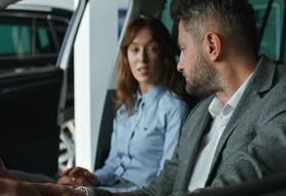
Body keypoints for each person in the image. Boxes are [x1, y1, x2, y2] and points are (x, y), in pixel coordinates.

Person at [0, 0, 286, 196]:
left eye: (179, 50)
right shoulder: (203, 114)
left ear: (211, 46)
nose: (176, 64)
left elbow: (240, 187)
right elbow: (156, 191)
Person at [56, 17, 190, 191]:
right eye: (134, 49)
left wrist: (97, 193)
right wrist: (91, 179)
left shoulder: (174, 109)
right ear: (127, 56)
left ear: (164, 54)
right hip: (112, 188)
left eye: (152, 49)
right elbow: (112, 165)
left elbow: (165, 183)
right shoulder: (125, 107)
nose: (142, 58)